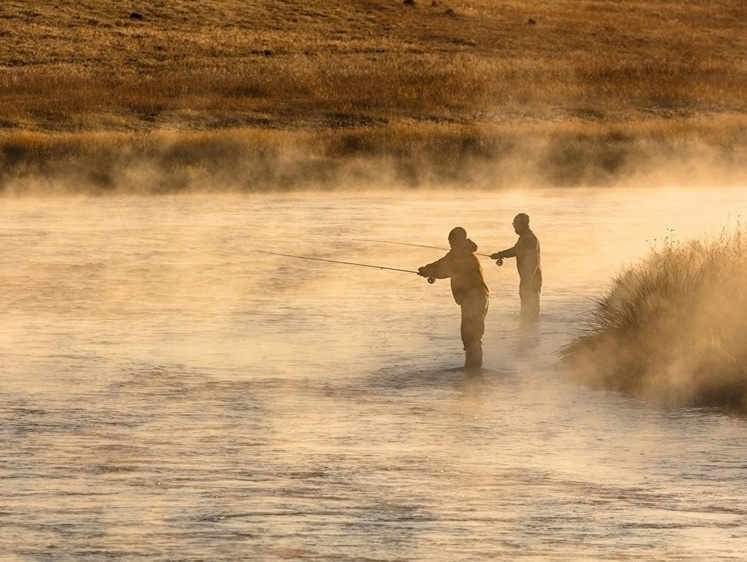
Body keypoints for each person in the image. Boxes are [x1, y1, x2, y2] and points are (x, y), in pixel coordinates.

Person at [418, 227, 490, 370]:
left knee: (471, 336)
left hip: (473, 299)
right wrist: (429, 270)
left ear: (458, 240)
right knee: (470, 335)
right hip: (476, 298)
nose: (450, 243)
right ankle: (473, 370)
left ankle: (473, 371)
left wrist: (427, 270)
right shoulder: (463, 253)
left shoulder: (460, 254)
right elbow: (445, 267)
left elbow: (444, 267)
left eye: (451, 240)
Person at [490, 213, 542, 318]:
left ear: (522, 225)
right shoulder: (526, 237)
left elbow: (520, 253)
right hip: (530, 276)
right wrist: (501, 255)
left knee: (529, 306)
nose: (514, 227)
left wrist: (500, 254)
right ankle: (530, 327)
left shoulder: (529, 238)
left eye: (515, 225)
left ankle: (528, 327)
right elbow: (517, 251)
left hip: (530, 277)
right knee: (529, 307)